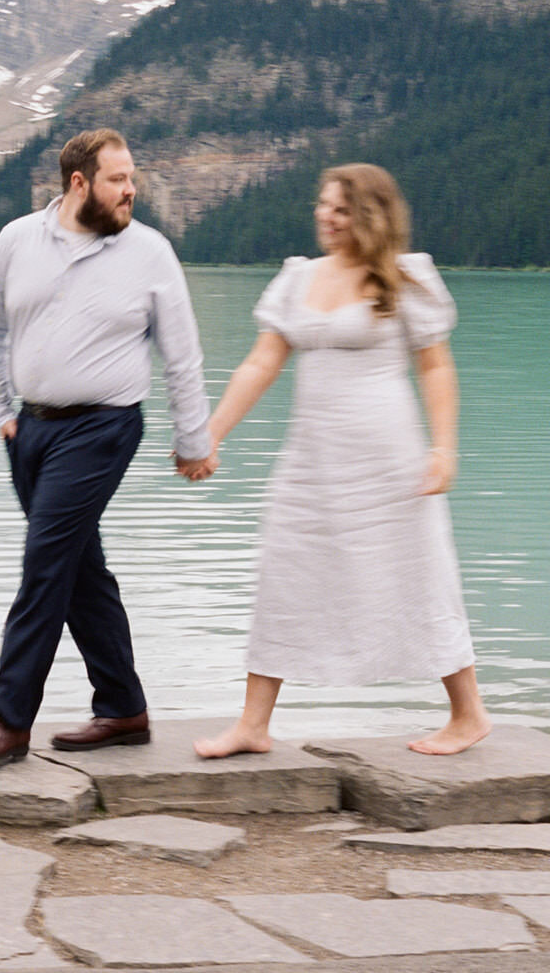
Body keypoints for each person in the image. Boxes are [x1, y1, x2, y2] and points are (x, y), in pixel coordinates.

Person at [188, 163, 491, 760]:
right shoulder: (298, 279)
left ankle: (469, 714)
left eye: (341, 209)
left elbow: (436, 367)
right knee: (284, 573)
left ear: (371, 217)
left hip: (389, 463)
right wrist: (209, 433)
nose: (325, 216)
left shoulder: (406, 277)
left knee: (418, 574)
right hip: (311, 460)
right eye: (323, 205)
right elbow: (261, 363)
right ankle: (252, 725)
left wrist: (444, 448)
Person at [0, 128, 216, 764]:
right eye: (119, 179)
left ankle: (9, 721)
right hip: (30, 428)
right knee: (78, 573)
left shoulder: (149, 252)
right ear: (78, 183)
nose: (132, 190)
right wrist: (0, 414)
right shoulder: (17, 240)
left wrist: (193, 439)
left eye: (133, 178)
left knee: (45, 564)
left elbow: (181, 353)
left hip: (103, 427)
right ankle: (123, 709)